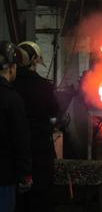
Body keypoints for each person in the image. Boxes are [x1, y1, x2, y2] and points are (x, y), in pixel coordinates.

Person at [14, 41, 59, 212]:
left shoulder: (10, 86)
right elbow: (54, 111)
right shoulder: (44, 86)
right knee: (41, 196)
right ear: (34, 60)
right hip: (40, 150)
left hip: (14, 151)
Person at [0, 41, 32, 212]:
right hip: (4, 176)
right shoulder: (12, 99)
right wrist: (26, 174)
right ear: (11, 67)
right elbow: (21, 140)